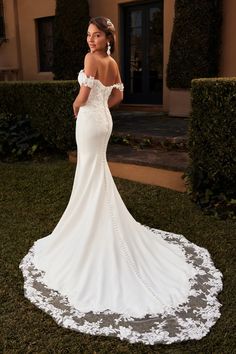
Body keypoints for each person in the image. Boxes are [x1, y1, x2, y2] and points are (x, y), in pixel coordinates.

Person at [19, 17, 223, 346]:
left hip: (88, 120)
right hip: (104, 120)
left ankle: (89, 223)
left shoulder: (91, 60)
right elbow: (117, 98)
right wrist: (100, 108)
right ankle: (94, 217)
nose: (90, 40)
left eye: (96, 35)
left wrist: (76, 104)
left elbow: (84, 94)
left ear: (107, 36)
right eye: (88, 35)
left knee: (89, 170)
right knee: (95, 170)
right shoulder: (112, 62)